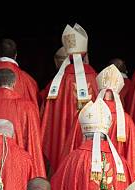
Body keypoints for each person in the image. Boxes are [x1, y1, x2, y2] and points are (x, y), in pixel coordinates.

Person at [61, 64, 135, 177]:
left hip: (85, 171)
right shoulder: (127, 121)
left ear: (99, 90)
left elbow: (71, 147)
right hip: (116, 174)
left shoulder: (85, 114)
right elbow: (134, 155)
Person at [41, 24, 98, 173]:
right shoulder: (94, 78)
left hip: (62, 136)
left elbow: (48, 115)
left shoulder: (59, 80)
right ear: (86, 55)